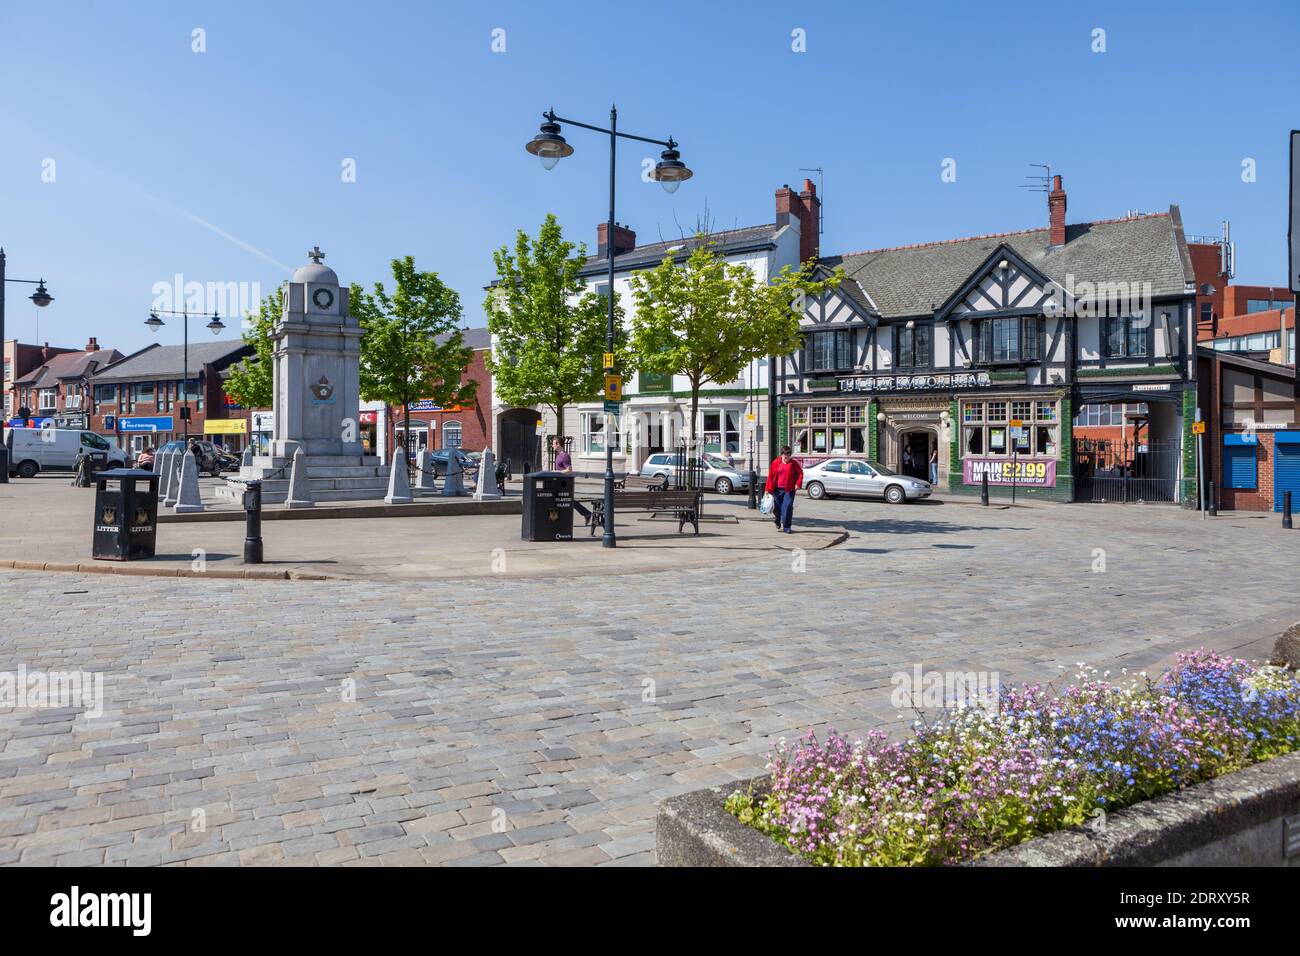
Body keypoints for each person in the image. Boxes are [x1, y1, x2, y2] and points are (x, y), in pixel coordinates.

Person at [551, 437, 592, 524]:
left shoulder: (565, 456)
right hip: (558, 482)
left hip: (564, 483)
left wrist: (556, 472)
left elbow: (569, 470)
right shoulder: (558, 455)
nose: (552, 446)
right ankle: (586, 513)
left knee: (566, 500)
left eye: (553, 444)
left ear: (558, 444)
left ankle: (555, 520)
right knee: (565, 500)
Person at [764, 445, 803, 534]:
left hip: (789, 490)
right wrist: (767, 489)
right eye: (785, 455)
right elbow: (770, 476)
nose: (787, 457)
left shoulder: (793, 463)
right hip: (777, 490)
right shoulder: (775, 463)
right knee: (777, 508)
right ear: (782, 455)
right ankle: (777, 520)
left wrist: (798, 484)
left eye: (789, 455)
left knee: (787, 508)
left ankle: (787, 527)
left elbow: (800, 473)